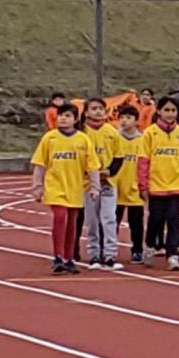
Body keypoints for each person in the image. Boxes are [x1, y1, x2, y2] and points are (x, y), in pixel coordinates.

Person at [31, 103, 99, 275]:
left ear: (76, 119)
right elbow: (40, 164)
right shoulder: (50, 138)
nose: (63, 118)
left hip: (75, 187)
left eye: (67, 116)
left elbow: (92, 166)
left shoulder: (83, 139)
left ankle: (69, 258)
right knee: (60, 217)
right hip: (55, 187)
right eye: (61, 115)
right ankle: (58, 257)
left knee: (72, 223)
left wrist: (94, 187)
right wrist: (37, 187)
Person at [138, 96, 179, 271]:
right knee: (156, 219)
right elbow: (143, 161)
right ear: (158, 111)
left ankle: (172, 256)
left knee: (173, 221)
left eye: (173, 110)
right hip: (156, 186)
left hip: (175, 185)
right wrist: (143, 185)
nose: (169, 114)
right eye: (166, 110)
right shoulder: (149, 133)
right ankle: (150, 246)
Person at [79, 97, 124, 271]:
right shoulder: (82, 133)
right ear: (86, 112)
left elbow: (119, 157)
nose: (98, 112)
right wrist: (92, 174)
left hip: (108, 182)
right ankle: (94, 254)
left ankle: (110, 254)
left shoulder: (112, 132)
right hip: (88, 184)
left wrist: (109, 172)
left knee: (109, 218)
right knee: (92, 220)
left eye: (101, 109)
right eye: (94, 108)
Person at [115, 105, 144, 264]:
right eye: (122, 118)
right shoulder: (114, 137)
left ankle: (138, 250)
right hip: (116, 186)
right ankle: (109, 249)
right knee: (112, 221)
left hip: (134, 188)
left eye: (128, 118)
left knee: (136, 223)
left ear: (136, 121)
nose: (125, 121)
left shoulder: (142, 139)